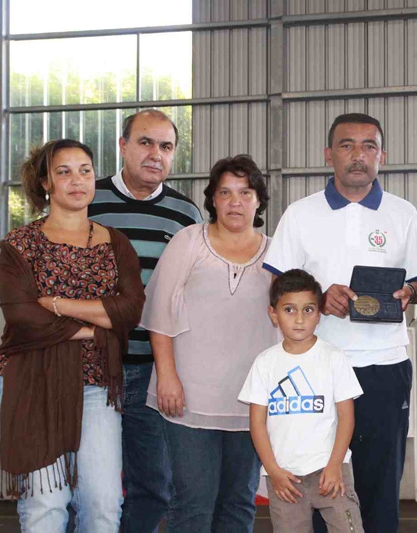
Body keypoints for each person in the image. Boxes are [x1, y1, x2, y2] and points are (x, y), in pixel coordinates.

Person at [263, 113, 417, 532]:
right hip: (315, 367)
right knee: (319, 483)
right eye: (347, 145)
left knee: (379, 486)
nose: (359, 155)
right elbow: (276, 286)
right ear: (329, 155)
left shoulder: (403, 214)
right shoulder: (300, 215)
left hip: (384, 366)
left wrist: (411, 292)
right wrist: (319, 299)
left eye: (369, 146)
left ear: (382, 156)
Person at [0, 139, 144, 531]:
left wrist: (57, 304)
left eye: (85, 170)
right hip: (33, 381)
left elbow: (130, 310)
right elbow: (23, 316)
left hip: (96, 384)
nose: (77, 180)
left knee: (103, 505)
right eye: (64, 172)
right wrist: (95, 326)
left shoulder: (116, 243)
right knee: (46, 506)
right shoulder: (20, 245)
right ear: (46, 183)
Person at [140, 154, 279, 532]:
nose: (235, 202)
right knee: (193, 503)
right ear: (213, 199)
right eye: (225, 192)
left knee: (239, 502)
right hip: (188, 397)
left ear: (259, 200)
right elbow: (159, 314)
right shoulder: (188, 241)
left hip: (251, 400)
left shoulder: (277, 252)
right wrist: (167, 377)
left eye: (245, 192)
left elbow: (291, 318)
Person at [88, 109, 203, 533]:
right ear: (122, 146)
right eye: (146, 142)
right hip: (89, 370)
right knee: (88, 488)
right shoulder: (86, 200)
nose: (156, 154)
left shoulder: (185, 214)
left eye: (166, 146)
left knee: (154, 487)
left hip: (153, 372)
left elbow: (193, 295)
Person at [239, 269, 365, 533]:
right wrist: (273, 471)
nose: (299, 319)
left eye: (308, 310)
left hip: (330, 470)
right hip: (285, 478)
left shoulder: (333, 358)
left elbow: (347, 418)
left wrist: (335, 465)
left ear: (318, 315)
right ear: (273, 314)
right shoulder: (265, 363)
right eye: (289, 310)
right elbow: (257, 423)